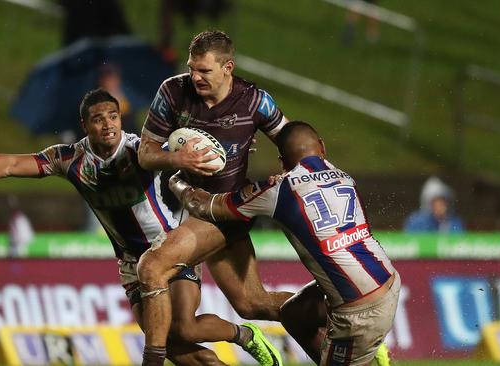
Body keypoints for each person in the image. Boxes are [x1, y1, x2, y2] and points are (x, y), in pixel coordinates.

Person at [0, 89, 275, 366]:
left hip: (170, 247)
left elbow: (194, 143)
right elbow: (13, 164)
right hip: (130, 263)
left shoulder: (141, 150)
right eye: (98, 119)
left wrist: (234, 144)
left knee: (184, 325)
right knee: (176, 348)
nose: (108, 124)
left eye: (113, 116)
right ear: (85, 126)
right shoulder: (70, 159)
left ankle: (243, 335)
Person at [169, 121, 400, 366]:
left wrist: (177, 181)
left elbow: (206, 207)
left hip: (357, 310)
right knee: (293, 314)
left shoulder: (278, 190)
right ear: (321, 146)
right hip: (387, 279)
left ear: (282, 161)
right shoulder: (344, 177)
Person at [137, 30, 290, 365]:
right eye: (192, 68)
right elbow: (145, 155)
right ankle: (337, 323)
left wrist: (288, 171)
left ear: (227, 68)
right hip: (187, 211)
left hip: (225, 212)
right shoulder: (173, 92)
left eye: (204, 70)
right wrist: (178, 159)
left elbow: (292, 139)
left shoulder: (253, 100)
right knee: (250, 305)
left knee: (152, 267)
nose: (195, 76)